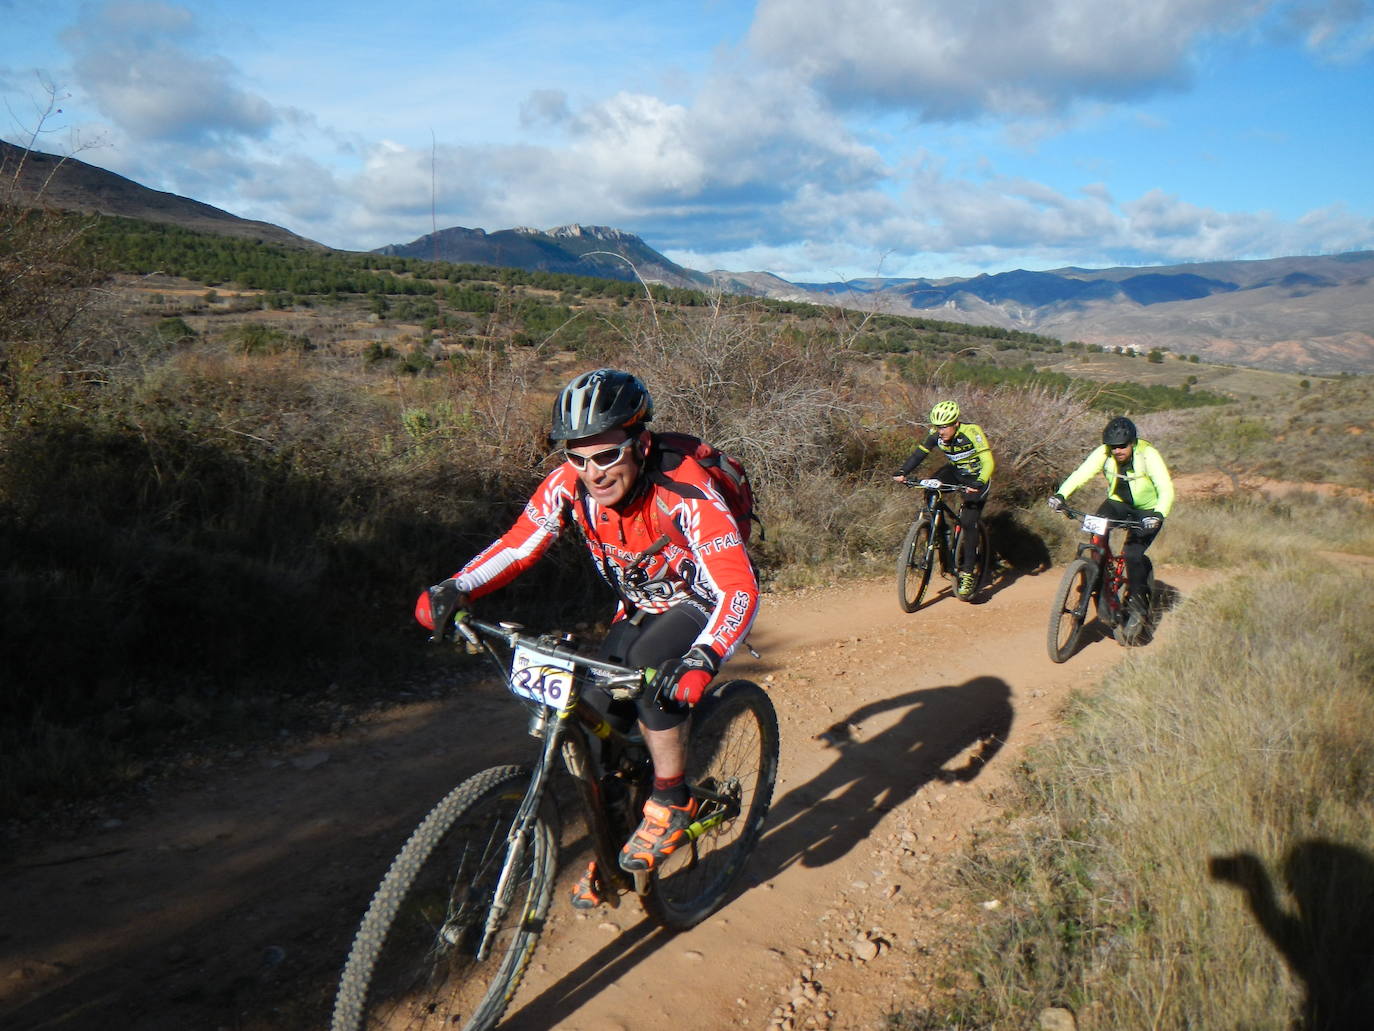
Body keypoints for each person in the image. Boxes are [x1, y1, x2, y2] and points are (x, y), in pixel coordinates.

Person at [414, 368, 759, 909]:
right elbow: (519, 543)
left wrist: (705, 656)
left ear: (640, 444)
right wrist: (456, 587)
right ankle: (613, 844)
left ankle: (672, 800)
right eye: (577, 457)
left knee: (650, 668)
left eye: (606, 455)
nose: (592, 473)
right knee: (600, 717)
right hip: (637, 606)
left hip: (700, 604)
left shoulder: (685, 490)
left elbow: (738, 585)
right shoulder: (569, 484)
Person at [1047, 415, 1174, 633]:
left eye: (1122, 446)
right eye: (1113, 447)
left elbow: (1166, 488)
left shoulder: (1148, 454)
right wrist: (1061, 495)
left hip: (1147, 511)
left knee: (1133, 555)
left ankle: (1137, 607)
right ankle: (1100, 578)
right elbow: (1082, 473)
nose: (1117, 451)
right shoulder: (1104, 453)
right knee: (1096, 536)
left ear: (1132, 443)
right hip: (1117, 504)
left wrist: (1158, 514)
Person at [891, 400, 995, 599]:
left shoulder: (972, 432)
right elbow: (919, 453)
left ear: (955, 423)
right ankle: (939, 530)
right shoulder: (936, 436)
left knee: (968, 522)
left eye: (945, 426)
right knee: (931, 487)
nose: (941, 431)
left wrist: (980, 482)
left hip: (977, 477)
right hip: (956, 473)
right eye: (938, 426)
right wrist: (903, 471)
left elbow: (988, 461)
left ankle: (967, 573)